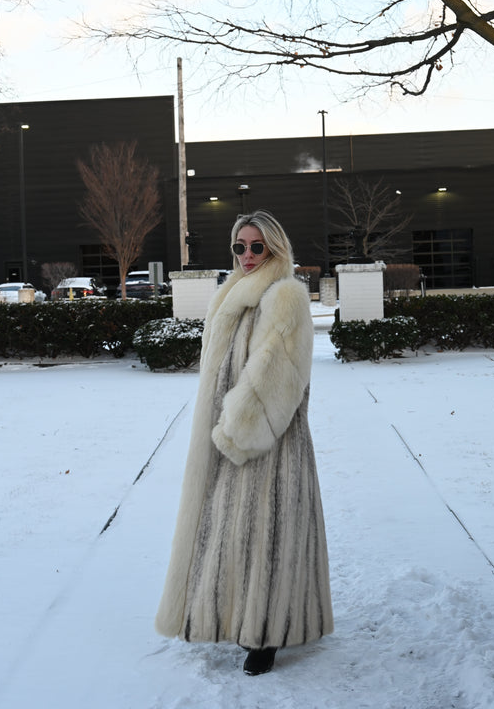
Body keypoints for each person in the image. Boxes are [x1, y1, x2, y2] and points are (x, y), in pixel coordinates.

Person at [155, 210, 333, 675]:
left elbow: (279, 378)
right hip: (229, 438)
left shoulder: (285, 296)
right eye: (241, 247)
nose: (249, 255)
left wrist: (238, 429)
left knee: (270, 536)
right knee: (232, 533)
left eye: (258, 246)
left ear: (275, 247)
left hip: (269, 442)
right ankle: (239, 619)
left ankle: (268, 634)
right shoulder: (232, 294)